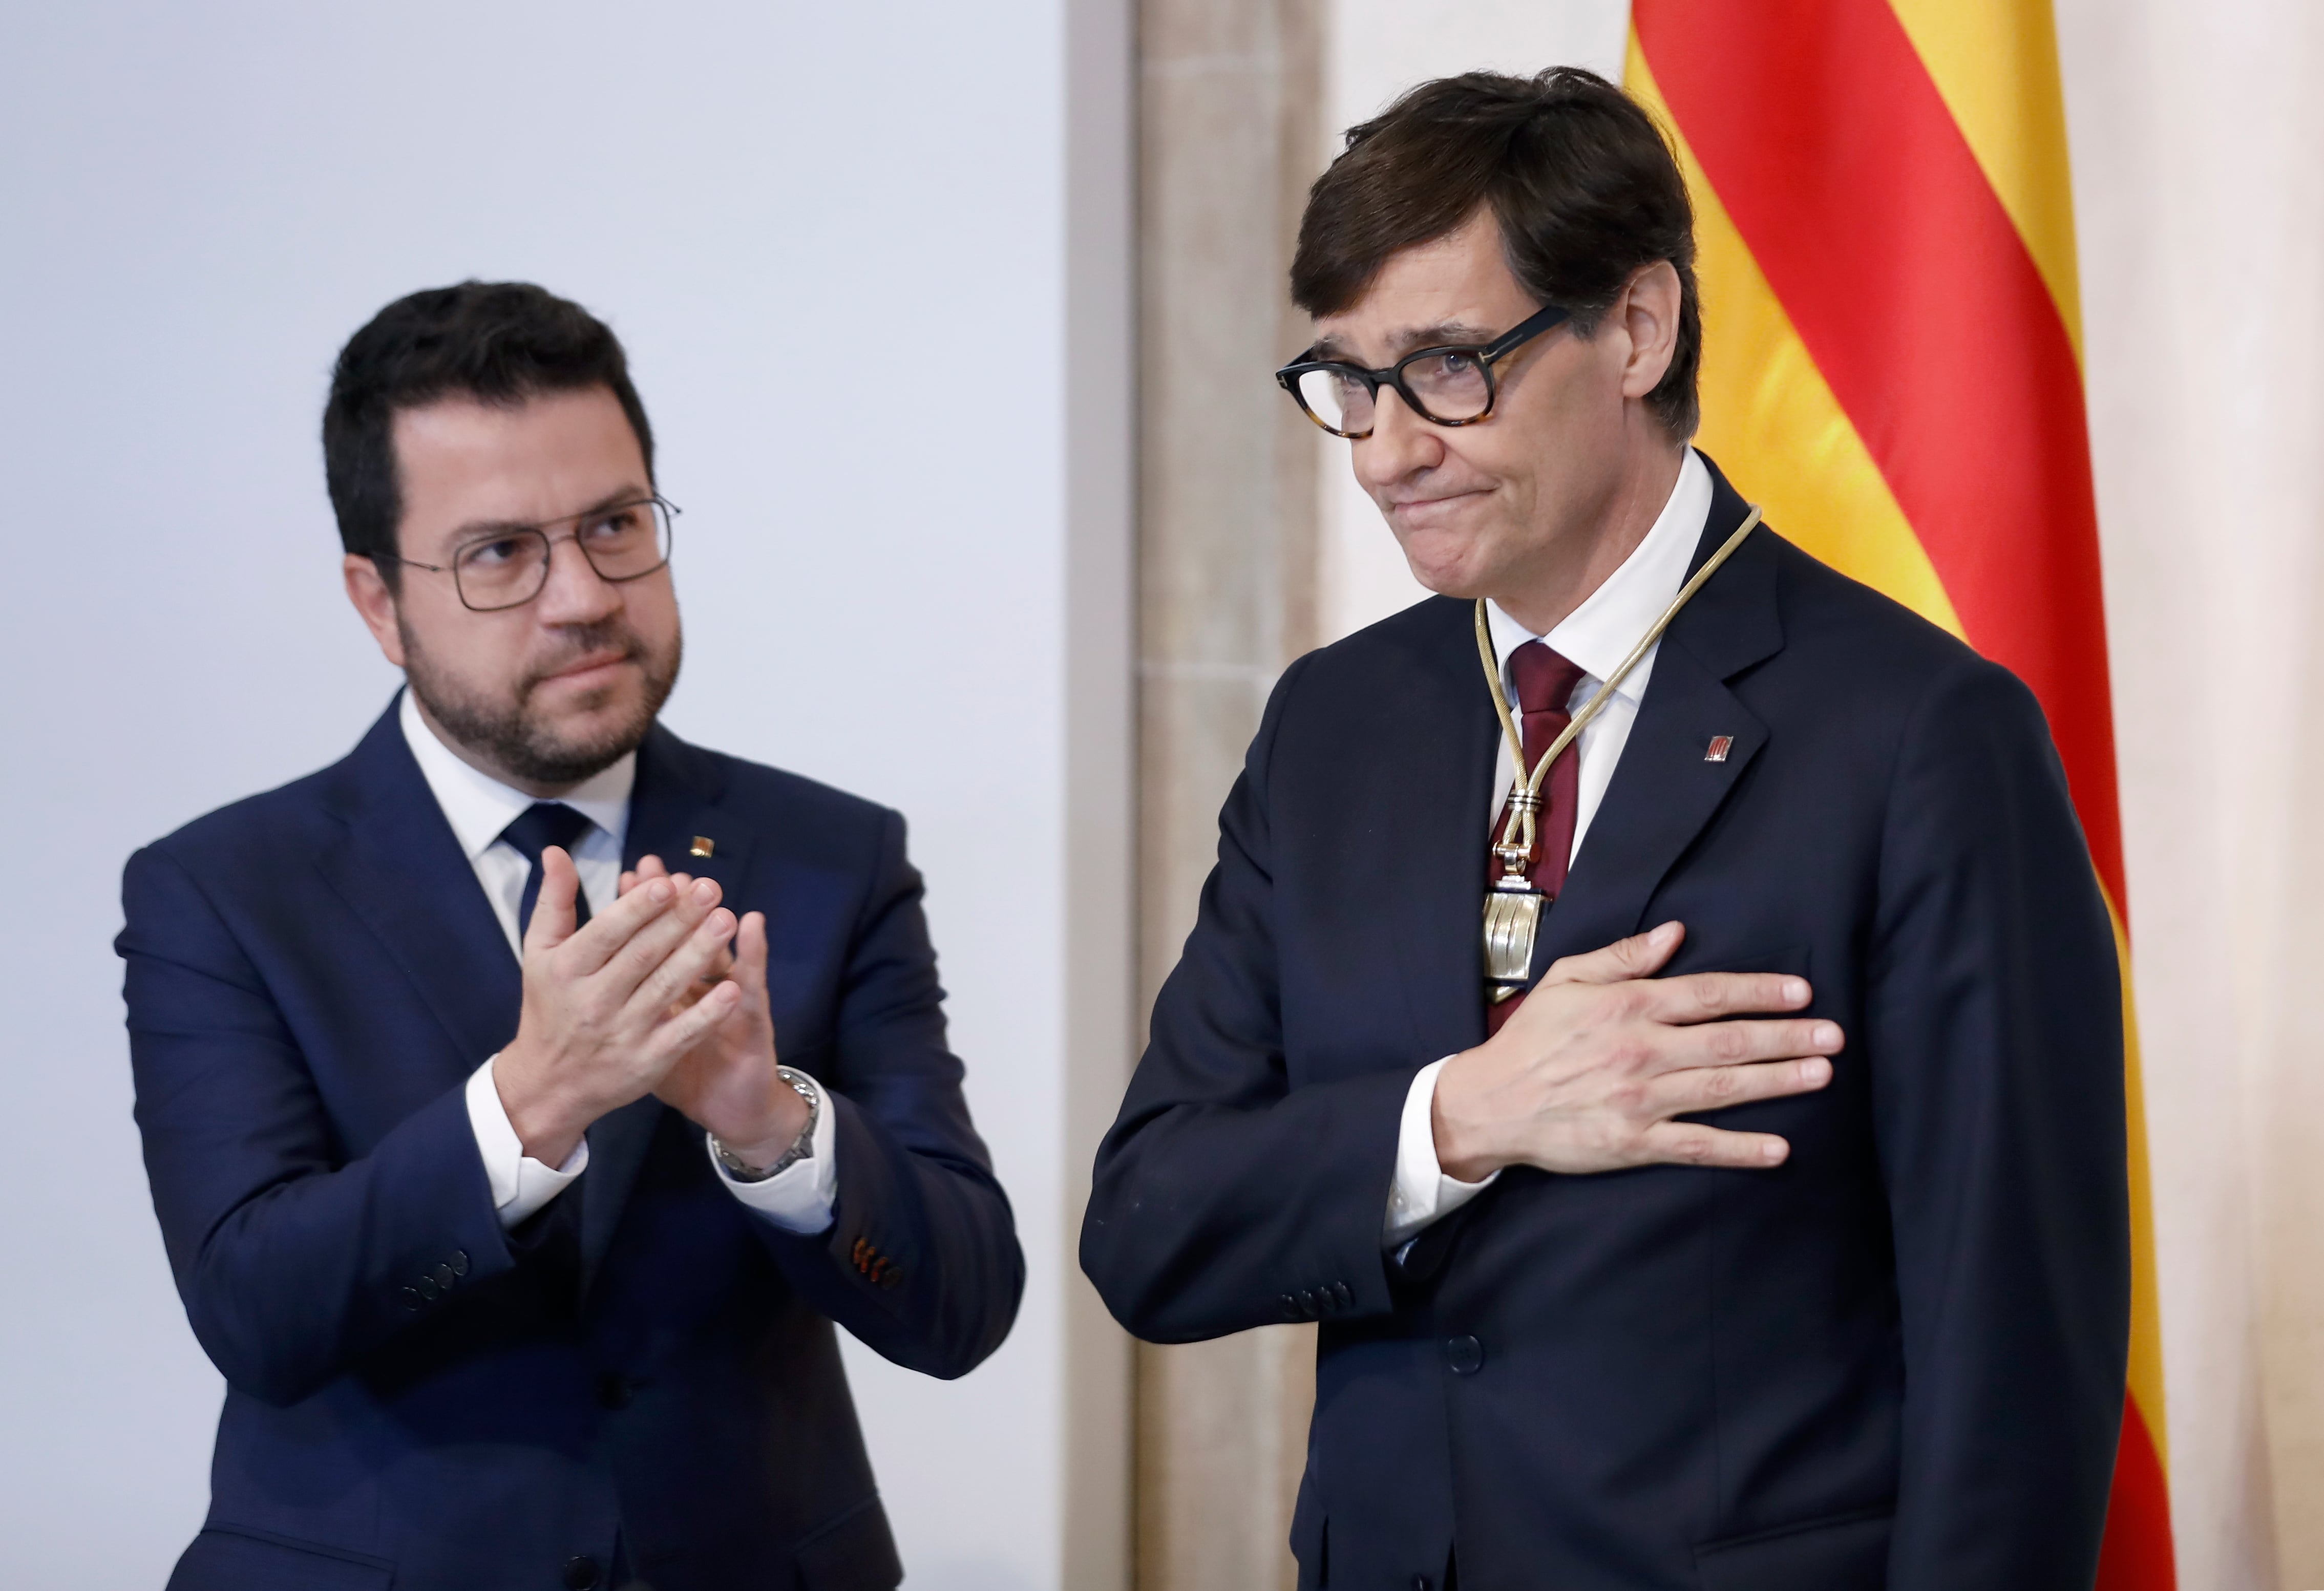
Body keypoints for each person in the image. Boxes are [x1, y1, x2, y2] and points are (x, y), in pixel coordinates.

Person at [1081, 68, 2127, 1591]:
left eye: (1447, 366)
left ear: (1634, 328)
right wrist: (1459, 1114)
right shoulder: (1331, 724)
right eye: (1349, 382)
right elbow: (1152, 1224)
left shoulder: (1920, 738)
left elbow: (2013, 1376)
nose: (1383, 451)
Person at [119, 281, 1022, 1591]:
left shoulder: (834, 857)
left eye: (615, 526)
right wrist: (532, 1103)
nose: (582, 597)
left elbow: (961, 1306)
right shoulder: (223, 891)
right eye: (499, 553)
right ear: (379, 603)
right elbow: (257, 1311)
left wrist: (772, 1129)